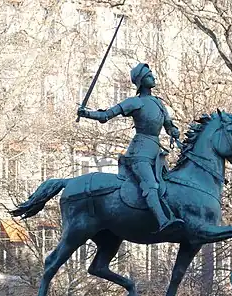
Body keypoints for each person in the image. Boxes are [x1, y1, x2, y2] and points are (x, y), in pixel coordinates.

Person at [78, 63, 183, 233]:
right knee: (151, 185)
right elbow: (106, 115)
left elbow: (168, 125)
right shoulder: (135, 102)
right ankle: (163, 221)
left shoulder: (158, 103)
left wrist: (174, 131)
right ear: (141, 81)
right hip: (139, 153)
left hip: (156, 154)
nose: (153, 77)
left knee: (170, 185)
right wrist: (87, 113)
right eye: (149, 75)